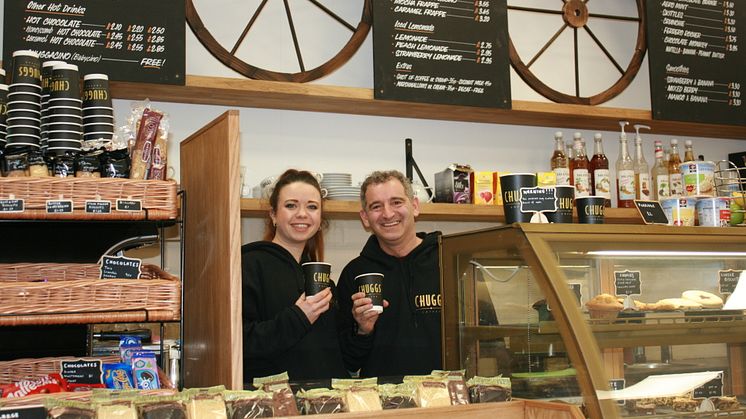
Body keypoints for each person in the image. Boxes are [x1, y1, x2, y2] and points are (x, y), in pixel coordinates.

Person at [241, 169, 348, 382]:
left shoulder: (324, 281)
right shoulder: (249, 265)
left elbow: (343, 357)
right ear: (273, 215)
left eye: (312, 207)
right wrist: (299, 317)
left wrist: (363, 329)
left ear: (320, 217)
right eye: (291, 205)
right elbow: (239, 343)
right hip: (275, 407)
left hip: (327, 407)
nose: (302, 214)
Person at [337, 170, 442, 378]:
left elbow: (485, 340)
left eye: (396, 202)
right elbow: (346, 362)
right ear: (365, 218)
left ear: (415, 206)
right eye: (376, 206)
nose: (387, 214)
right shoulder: (354, 274)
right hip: (382, 405)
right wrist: (362, 331)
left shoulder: (448, 259)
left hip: (449, 399)